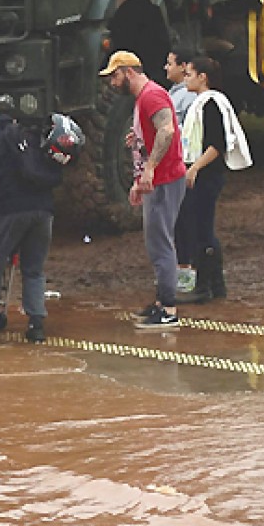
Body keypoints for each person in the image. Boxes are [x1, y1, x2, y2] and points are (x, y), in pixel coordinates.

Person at [0, 100, 63, 342]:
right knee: (34, 270)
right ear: (15, 119)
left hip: (8, 211)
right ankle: (36, 326)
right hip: (43, 211)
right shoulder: (32, 137)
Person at [103, 50, 187, 327]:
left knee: (160, 244)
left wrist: (149, 169)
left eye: (115, 76)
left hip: (163, 180)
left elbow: (167, 131)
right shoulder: (145, 98)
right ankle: (162, 303)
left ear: (129, 72)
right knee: (156, 243)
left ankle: (169, 310)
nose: (113, 83)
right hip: (157, 181)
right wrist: (138, 137)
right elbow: (157, 130)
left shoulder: (151, 95)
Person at [177, 56, 249, 303]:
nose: (186, 78)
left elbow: (216, 144)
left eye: (189, 74)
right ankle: (216, 286)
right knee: (202, 227)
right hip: (205, 174)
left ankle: (204, 287)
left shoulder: (210, 104)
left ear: (202, 77)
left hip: (207, 175)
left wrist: (195, 167)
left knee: (201, 229)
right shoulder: (206, 102)